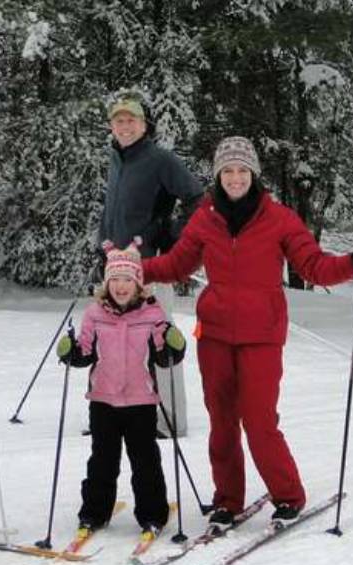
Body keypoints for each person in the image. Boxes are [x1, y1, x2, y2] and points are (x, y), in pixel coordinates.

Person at [141, 135, 353, 527]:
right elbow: (177, 265)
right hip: (214, 334)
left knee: (259, 420)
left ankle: (288, 495)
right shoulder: (206, 216)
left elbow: (314, 266)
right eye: (227, 170)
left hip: (262, 335)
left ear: (254, 174)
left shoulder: (279, 217)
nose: (235, 177)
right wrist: (133, 268)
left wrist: (352, 263)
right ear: (218, 175)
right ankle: (227, 501)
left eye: (242, 170)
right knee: (222, 423)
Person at [56, 241, 187, 537]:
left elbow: (165, 356)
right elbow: (85, 352)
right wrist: (71, 351)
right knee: (102, 460)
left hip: (141, 402)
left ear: (138, 283)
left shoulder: (153, 314)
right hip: (103, 401)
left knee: (145, 461)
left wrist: (174, 344)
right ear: (107, 283)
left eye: (127, 279)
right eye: (114, 280)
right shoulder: (94, 314)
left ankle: (153, 513)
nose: (121, 286)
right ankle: (94, 513)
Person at [96, 94, 204, 438]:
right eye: (119, 120)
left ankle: (169, 420)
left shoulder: (160, 159)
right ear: (112, 126)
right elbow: (114, 212)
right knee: (116, 342)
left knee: (161, 339)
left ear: (144, 125)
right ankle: (120, 413)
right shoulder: (117, 159)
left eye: (132, 120)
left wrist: (172, 239)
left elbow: (197, 201)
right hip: (116, 269)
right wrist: (102, 248)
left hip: (151, 267)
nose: (125, 126)